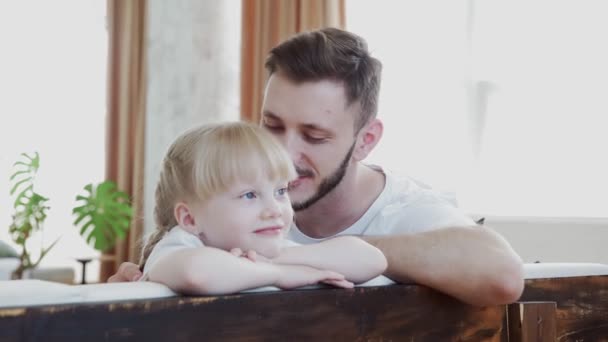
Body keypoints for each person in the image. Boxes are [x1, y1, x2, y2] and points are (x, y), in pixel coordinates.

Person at [110, 28, 524, 306]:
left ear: (366, 140)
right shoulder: (232, 200)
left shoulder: (404, 209)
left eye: (314, 136)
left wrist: (287, 257)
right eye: (272, 125)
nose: (285, 155)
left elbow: (503, 274)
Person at [138, 121, 387, 295]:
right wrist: (277, 274)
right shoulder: (177, 247)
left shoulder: (260, 249)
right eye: (249, 195)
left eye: (281, 191)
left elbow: (371, 260)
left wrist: (279, 258)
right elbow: (197, 273)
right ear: (190, 218)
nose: (274, 209)